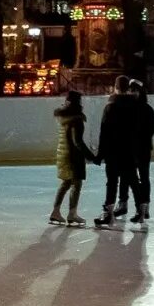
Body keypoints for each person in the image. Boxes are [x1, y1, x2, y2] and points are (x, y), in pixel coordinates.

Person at [93, 76, 140, 229]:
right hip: (130, 151)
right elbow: (140, 130)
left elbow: (104, 133)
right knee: (133, 180)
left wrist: (100, 155)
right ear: (128, 88)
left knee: (112, 182)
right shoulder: (135, 106)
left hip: (113, 152)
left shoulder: (110, 107)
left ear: (115, 87)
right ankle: (141, 211)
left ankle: (108, 213)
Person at [49, 91, 95, 226]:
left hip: (63, 153)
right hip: (73, 156)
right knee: (77, 183)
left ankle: (56, 212)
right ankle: (72, 213)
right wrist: (91, 156)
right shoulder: (76, 119)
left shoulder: (64, 117)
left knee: (66, 183)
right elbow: (78, 142)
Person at [129, 79, 154, 225]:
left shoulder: (147, 109)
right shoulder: (128, 109)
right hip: (131, 149)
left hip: (143, 148)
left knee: (144, 177)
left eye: (135, 90)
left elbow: (152, 128)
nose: (133, 93)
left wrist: (141, 139)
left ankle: (144, 207)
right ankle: (139, 208)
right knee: (133, 180)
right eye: (131, 90)